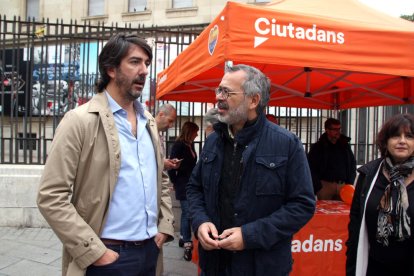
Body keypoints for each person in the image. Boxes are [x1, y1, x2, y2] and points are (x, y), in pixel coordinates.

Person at [37, 33, 175, 276]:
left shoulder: (149, 122)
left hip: (151, 251)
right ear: (111, 69)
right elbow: (51, 196)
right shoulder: (79, 121)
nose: (144, 71)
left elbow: (160, 179)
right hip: (107, 256)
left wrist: (164, 226)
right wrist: (96, 252)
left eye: (146, 63)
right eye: (134, 62)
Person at [186, 64, 316, 275]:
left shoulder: (286, 144)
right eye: (219, 90)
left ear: (253, 100)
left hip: (262, 266)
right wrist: (201, 222)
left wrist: (249, 236)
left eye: (227, 92)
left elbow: (302, 205)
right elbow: (195, 188)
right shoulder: (213, 142)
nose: (219, 97)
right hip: (214, 264)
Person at [346, 113, 414, 276]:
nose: (402, 141)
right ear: (386, 141)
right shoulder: (368, 174)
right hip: (374, 266)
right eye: (396, 136)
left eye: (409, 136)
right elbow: (355, 224)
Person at [168, 121, 199, 261]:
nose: (197, 134)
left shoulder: (190, 144)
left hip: (190, 183)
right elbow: (172, 165)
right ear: (189, 131)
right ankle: (187, 242)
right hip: (181, 183)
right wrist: (174, 182)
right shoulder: (179, 145)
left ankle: (182, 237)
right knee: (188, 213)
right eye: (195, 131)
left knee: (186, 212)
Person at [308, 117, 357, 199]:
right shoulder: (318, 147)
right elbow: (311, 167)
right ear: (327, 130)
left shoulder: (344, 145)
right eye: (334, 129)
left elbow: (352, 163)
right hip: (325, 185)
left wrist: (350, 182)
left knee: (343, 210)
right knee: (325, 209)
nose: (337, 132)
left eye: (339, 129)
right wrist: (318, 185)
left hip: (343, 185)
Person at [155, 103, 181, 170]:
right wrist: (162, 163)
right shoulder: (146, 132)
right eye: (170, 121)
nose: (171, 125)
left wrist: (167, 162)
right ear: (161, 115)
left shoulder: (158, 135)